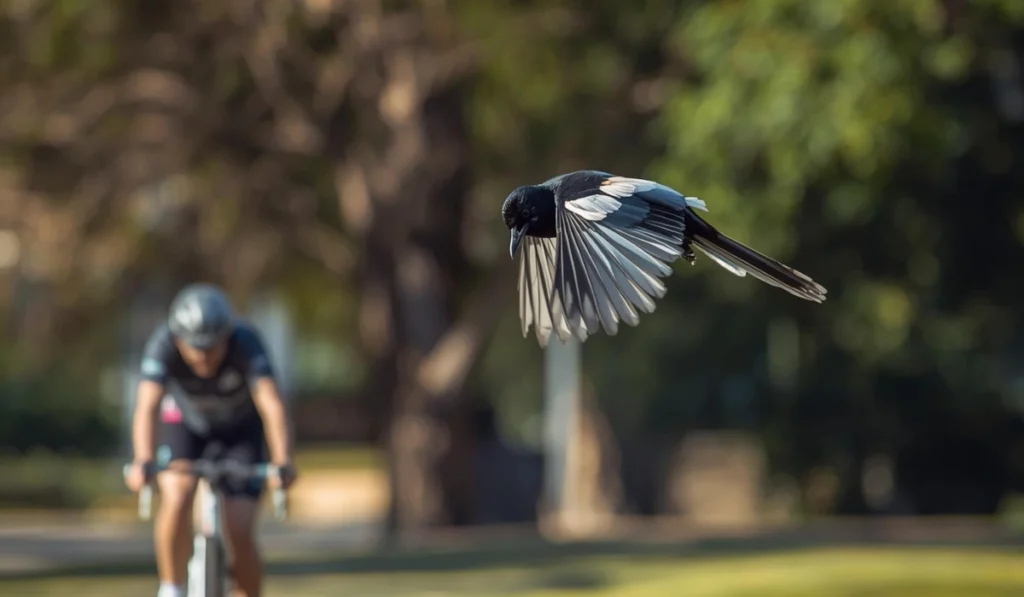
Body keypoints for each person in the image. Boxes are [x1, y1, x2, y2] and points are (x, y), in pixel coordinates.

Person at [124, 283, 298, 597]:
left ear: (227, 337)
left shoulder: (247, 342)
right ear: (179, 339)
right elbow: (147, 406)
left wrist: (282, 461)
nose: (205, 359)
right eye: (196, 349)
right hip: (185, 426)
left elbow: (272, 404)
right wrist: (143, 460)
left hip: (240, 432)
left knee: (240, 526)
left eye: (212, 348)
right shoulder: (163, 344)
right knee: (177, 496)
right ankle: (171, 588)